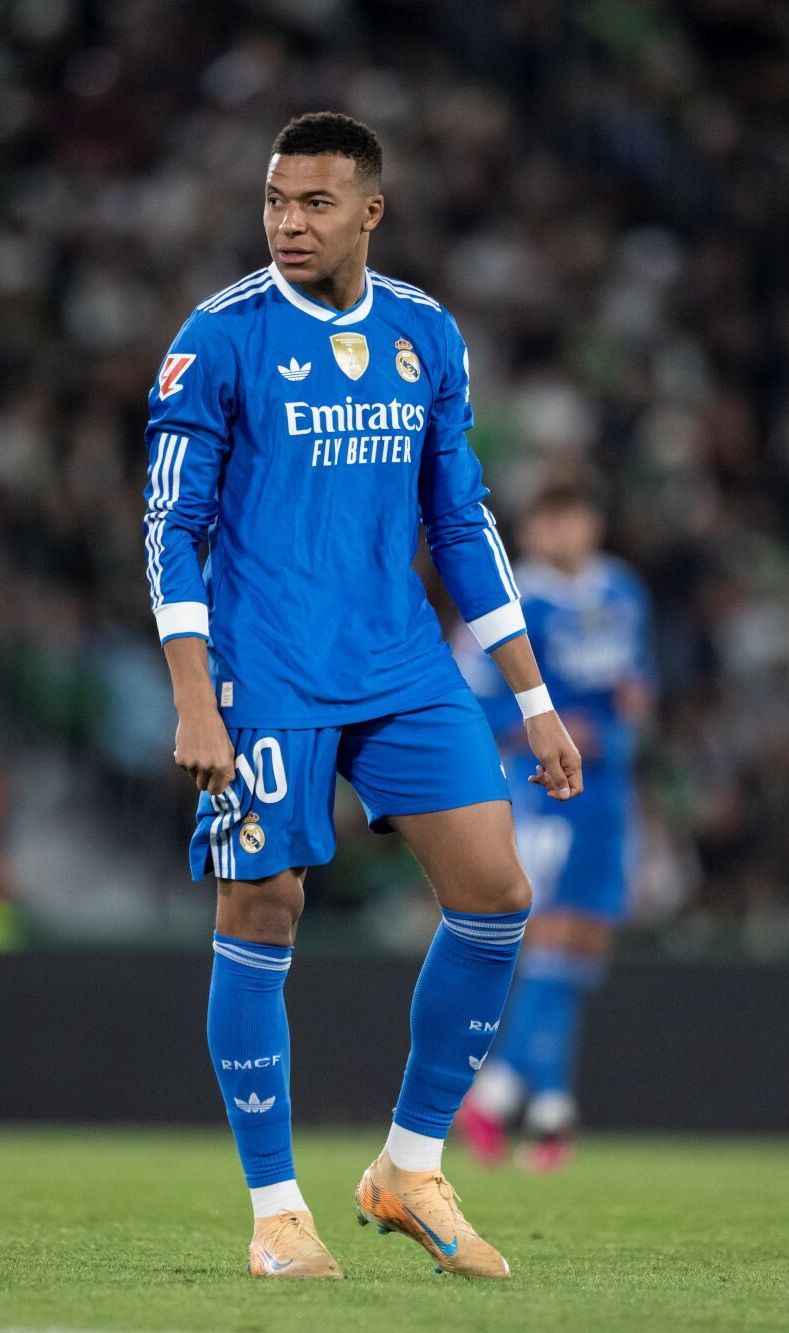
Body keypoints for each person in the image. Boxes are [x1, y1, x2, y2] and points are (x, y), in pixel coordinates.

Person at [144, 112, 583, 1281]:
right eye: (276, 202)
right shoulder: (216, 337)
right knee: (262, 908)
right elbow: (169, 527)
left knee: (496, 891)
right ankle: (276, 1209)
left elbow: (461, 519)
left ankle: (405, 1166)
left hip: (396, 660)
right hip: (264, 667)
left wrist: (530, 694)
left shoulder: (425, 334)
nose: (289, 223)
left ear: (369, 213)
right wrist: (194, 694)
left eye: (315, 204)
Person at [456, 476, 654, 1171]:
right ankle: (507, 1090)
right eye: (551, 519)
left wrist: (633, 701)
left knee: (586, 943)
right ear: (533, 528)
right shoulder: (512, 600)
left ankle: (547, 1107)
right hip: (545, 789)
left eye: (574, 517)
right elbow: (473, 699)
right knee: (553, 933)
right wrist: (540, 727)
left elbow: (638, 678)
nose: (563, 531)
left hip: (610, 788)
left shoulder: (624, 591)